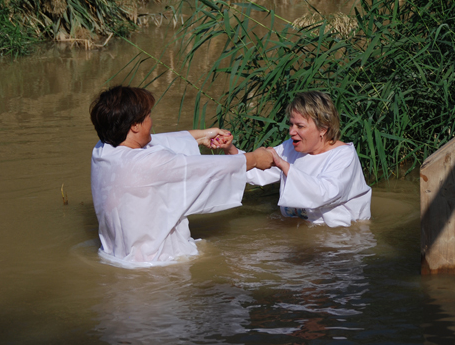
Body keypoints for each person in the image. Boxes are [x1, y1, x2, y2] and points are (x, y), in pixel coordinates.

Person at [89, 85, 273, 267]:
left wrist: (202, 136)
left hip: (114, 256)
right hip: (157, 263)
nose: (151, 122)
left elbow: (160, 141)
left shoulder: (102, 151)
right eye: (148, 116)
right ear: (135, 125)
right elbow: (210, 168)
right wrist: (255, 159)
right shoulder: (151, 162)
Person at [218, 91, 371, 227]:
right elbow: (258, 172)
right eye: (291, 124)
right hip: (303, 228)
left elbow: (325, 193)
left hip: (342, 236)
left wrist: (284, 166)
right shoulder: (291, 147)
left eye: (300, 126)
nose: (291, 131)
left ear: (323, 129)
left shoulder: (343, 155)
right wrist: (230, 149)